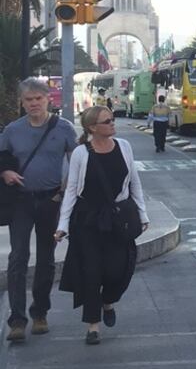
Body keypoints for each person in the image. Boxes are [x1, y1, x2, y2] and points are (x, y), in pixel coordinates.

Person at [55, 106, 149, 345]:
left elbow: (134, 182)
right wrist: (62, 225)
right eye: (107, 121)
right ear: (92, 128)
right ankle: (92, 325)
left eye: (112, 119)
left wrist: (142, 214)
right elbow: (72, 191)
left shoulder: (124, 147)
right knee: (91, 271)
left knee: (119, 269)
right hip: (87, 220)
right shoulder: (81, 153)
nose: (112, 123)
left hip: (117, 217)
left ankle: (108, 300)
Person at [0, 78, 78, 342]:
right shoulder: (12, 130)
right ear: (21, 103)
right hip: (20, 201)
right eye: (28, 100)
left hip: (51, 201)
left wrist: (67, 193)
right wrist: (7, 171)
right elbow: (1, 158)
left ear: (48, 99)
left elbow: (77, 162)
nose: (33, 104)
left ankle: (40, 313)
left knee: (46, 259)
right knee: (18, 257)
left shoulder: (64, 128)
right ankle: (17, 320)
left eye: (38, 98)